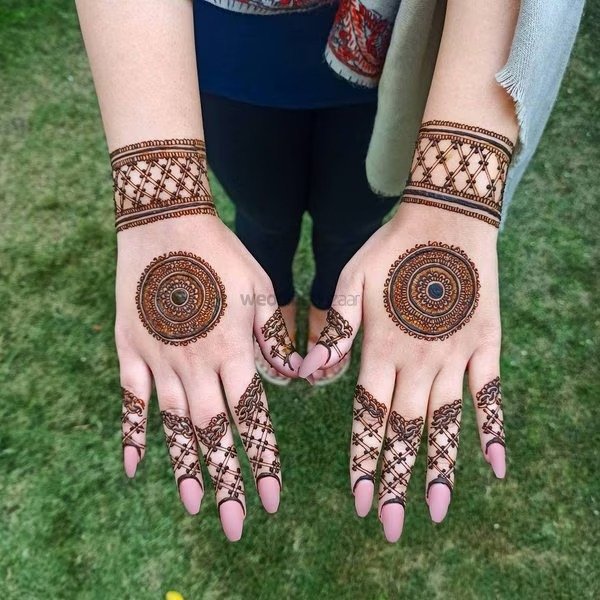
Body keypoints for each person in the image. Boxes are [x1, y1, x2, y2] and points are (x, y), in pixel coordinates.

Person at [75, 0, 578, 543]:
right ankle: (277, 307)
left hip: (390, 47)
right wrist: (161, 204)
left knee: (350, 224)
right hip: (232, 47)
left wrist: (454, 190)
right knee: (264, 216)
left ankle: (323, 313)